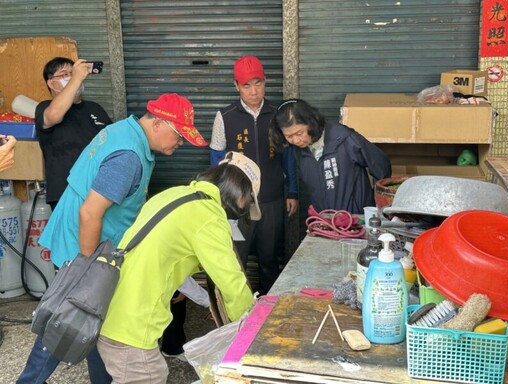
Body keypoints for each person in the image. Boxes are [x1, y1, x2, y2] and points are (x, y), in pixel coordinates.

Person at [17, 93, 207, 384]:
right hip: (84, 248)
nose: (180, 143)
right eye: (178, 135)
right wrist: (88, 270)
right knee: (68, 322)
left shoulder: (124, 131)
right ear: (158, 123)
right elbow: (90, 214)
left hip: (90, 245)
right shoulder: (128, 157)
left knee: (94, 321)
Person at [97, 151, 257, 383]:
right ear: (241, 193)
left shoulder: (174, 195)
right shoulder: (209, 215)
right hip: (131, 328)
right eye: (248, 203)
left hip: (110, 309)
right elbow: (233, 284)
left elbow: (167, 255)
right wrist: (250, 329)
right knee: (150, 376)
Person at [209, 55, 298, 295]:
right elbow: (216, 159)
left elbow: (288, 156)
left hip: (271, 199)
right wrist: (220, 198)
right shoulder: (225, 117)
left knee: (270, 259)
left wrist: (292, 191)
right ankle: (237, 313)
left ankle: (268, 311)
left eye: (258, 83)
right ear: (236, 85)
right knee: (236, 259)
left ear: (265, 82)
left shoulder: (278, 115)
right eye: (246, 85)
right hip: (237, 204)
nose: (253, 91)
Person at [269, 98, 392, 214]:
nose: (295, 140)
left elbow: (381, 164)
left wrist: (376, 206)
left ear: (311, 123)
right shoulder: (298, 150)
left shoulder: (344, 139)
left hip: (355, 220)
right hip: (326, 221)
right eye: (289, 136)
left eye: (299, 133)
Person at [36, 57, 112, 210]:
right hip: (66, 193)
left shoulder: (95, 108)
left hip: (99, 192)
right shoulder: (45, 107)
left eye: (73, 73)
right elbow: (55, 115)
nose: (71, 77)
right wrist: (75, 78)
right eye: (65, 74)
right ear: (51, 83)